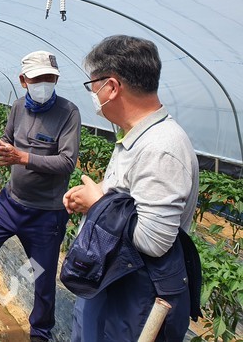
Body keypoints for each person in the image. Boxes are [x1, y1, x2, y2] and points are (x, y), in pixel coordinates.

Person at [63, 35, 199, 341]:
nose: (93, 94)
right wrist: (95, 194)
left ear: (111, 87)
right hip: (114, 279)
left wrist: (97, 204)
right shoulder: (137, 135)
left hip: (134, 295)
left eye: (93, 85)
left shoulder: (162, 147)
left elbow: (153, 240)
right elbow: (129, 196)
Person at [0, 50, 81, 342]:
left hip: (46, 214)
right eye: (38, 78)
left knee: (42, 279)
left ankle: (40, 334)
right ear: (23, 80)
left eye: (50, 78)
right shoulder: (18, 107)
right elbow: (8, 145)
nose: (44, 83)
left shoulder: (68, 113)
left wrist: (23, 157)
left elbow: (67, 162)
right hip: (10, 204)